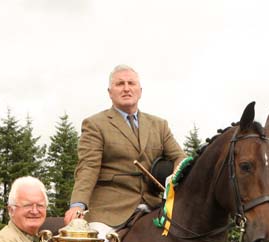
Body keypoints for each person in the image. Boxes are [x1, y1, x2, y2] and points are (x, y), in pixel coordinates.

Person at [64, 64, 186, 228]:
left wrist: (172, 184)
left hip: (155, 207)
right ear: (110, 92)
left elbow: (180, 158)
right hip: (109, 212)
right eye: (120, 84)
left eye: (131, 83)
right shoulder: (94, 124)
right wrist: (78, 205)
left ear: (140, 91)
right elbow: (88, 168)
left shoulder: (159, 125)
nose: (126, 88)